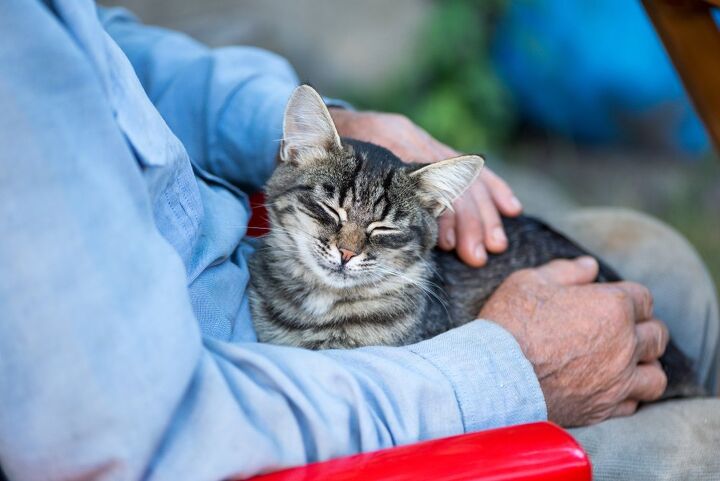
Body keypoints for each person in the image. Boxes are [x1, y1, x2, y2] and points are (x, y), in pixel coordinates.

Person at [0, 1, 717, 480]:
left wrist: (326, 128)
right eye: (333, 224)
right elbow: (141, 436)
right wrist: (511, 368)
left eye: (368, 232)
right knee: (701, 436)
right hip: (242, 406)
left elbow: (111, 49)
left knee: (664, 264)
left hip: (235, 268)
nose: (345, 247)